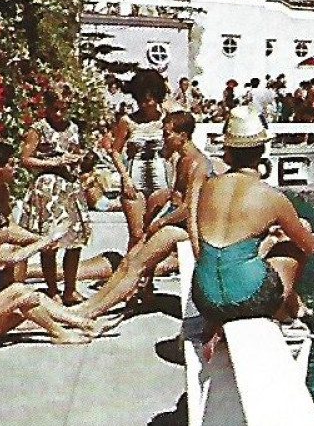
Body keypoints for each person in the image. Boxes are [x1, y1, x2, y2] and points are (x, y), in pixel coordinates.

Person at [191, 107, 314, 361]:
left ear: (227, 153)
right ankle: (285, 313)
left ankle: (218, 322)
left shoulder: (208, 187)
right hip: (250, 301)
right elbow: (309, 246)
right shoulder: (271, 197)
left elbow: (198, 241)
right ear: (262, 151)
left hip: (204, 299)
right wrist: (293, 235)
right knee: (298, 238)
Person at [75, 110, 212, 320]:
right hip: (173, 218)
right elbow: (174, 196)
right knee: (128, 260)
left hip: (182, 224)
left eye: (167, 134)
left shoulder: (197, 163)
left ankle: (91, 311)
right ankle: (91, 306)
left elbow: (188, 207)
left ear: (183, 136)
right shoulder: (182, 159)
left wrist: (161, 221)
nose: (163, 138)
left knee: (136, 265)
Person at [0, 209, 100, 350]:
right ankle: (60, 333)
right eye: (5, 226)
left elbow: (18, 256)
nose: (9, 228)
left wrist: (50, 238)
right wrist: (18, 302)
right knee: (23, 298)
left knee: (22, 291)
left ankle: (86, 324)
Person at [18, 88, 94, 304]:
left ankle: (70, 288)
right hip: (49, 187)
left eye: (64, 109)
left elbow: (76, 151)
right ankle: (52, 289)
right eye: (56, 110)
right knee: (50, 239)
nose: (60, 115)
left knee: (75, 238)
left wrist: (81, 158)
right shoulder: (39, 129)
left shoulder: (73, 128)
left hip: (70, 186)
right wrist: (53, 162)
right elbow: (26, 158)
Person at [111, 68, 170, 250]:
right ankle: (131, 273)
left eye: (149, 98)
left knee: (154, 231)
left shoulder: (167, 119)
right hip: (134, 175)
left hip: (161, 176)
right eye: (141, 99)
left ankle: (147, 277)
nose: (145, 104)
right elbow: (115, 151)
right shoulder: (127, 121)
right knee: (137, 234)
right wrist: (125, 178)